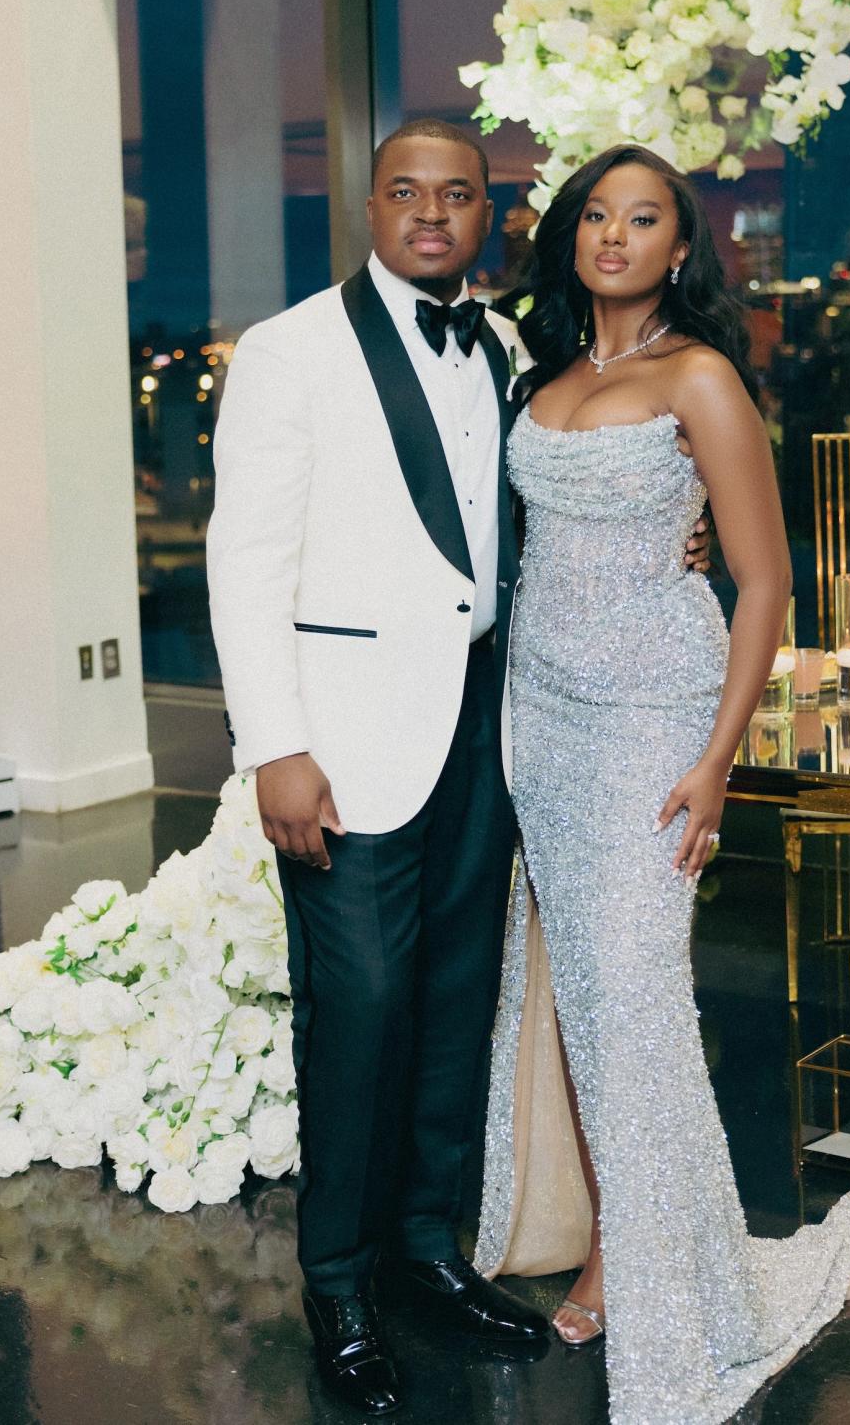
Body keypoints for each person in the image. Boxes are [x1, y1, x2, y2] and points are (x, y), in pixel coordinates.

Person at [205, 119, 712, 1416]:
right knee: (357, 1010)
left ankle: (428, 1251)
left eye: (458, 195)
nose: (432, 215)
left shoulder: (497, 350)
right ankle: (339, 1281)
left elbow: (539, 507)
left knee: (449, 1005)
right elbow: (244, 560)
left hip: (488, 725)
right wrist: (276, 744)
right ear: (369, 205)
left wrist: (678, 534)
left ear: (488, 214)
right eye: (405, 192)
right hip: (346, 742)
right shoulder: (287, 352)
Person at [473, 145, 850, 1425]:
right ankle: (621, 1227)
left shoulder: (700, 376)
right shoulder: (549, 374)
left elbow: (765, 581)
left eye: (645, 219)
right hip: (542, 719)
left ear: (681, 248)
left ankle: (649, 1267)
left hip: (651, 719)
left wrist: (716, 759)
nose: (615, 236)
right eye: (597, 216)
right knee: (583, 1005)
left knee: (637, 998)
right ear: (573, 237)